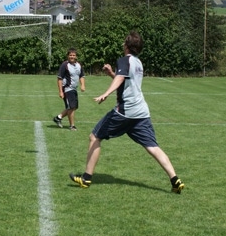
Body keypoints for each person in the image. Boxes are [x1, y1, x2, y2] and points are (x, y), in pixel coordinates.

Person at [69, 31, 184, 194]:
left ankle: (86, 178)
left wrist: (106, 93)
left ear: (127, 46)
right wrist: (111, 74)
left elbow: (121, 79)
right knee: (152, 146)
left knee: (94, 137)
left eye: (124, 42)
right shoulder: (138, 62)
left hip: (125, 111)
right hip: (141, 112)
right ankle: (175, 180)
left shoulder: (124, 60)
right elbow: (125, 80)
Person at [53, 48, 85, 131]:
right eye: (70, 55)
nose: (72, 57)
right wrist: (60, 91)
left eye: (74, 55)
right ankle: (72, 126)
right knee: (71, 107)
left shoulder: (78, 65)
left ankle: (58, 118)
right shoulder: (65, 65)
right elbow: (59, 78)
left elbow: (81, 76)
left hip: (74, 89)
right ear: (68, 56)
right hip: (67, 89)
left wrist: (82, 85)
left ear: (76, 56)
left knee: (73, 107)